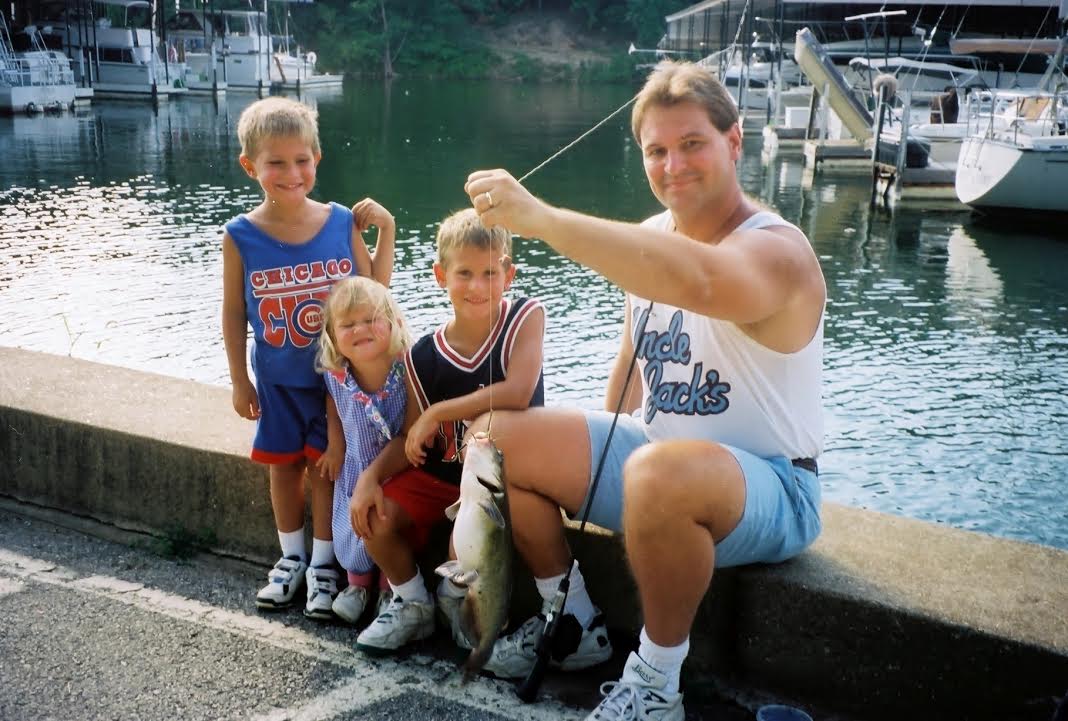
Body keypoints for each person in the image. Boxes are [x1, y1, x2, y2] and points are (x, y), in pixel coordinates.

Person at [461, 59, 826, 721]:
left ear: (735, 141)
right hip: (661, 462)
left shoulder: (779, 251)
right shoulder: (650, 240)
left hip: (774, 485)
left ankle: (657, 683)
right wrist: (589, 459)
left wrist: (541, 218)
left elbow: (705, 283)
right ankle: (569, 622)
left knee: (657, 472)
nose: (673, 165)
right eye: (656, 151)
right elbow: (633, 368)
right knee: (497, 438)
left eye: (692, 144)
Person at [222, 96, 396, 620]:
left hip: (333, 384)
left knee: (325, 470)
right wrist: (238, 381)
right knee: (282, 468)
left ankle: (324, 564)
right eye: (275, 162)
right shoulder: (240, 236)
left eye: (302, 160)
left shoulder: (341, 222)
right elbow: (233, 314)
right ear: (250, 166)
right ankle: (290, 557)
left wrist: (386, 230)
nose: (291, 172)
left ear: (316, 160)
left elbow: (375, 295)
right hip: (274, 380)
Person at [349, 208, 547, 655]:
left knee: (474, 557)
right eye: (464, 273)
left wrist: (439, 411)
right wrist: (369, 478)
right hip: (441, 480)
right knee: (373, 515)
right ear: (440, 275)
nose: (478, 286)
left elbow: (517, 393)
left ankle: (468, 614)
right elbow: (410, 440)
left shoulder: (524, 319)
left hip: (500, 488)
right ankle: (413, 604)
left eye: (490, 272)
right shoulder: (422, 355)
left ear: (509, 275)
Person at [317, 276, 429, 625]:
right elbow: (333, 406)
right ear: (334, 336)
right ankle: (357, 585)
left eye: (370, 320)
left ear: (394, 323)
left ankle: (387, 589)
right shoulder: (338, 374)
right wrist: (336, 447)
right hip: (355, 464)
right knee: (354, 526)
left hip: (397, 469)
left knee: (383, 525)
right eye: (348, 325)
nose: (360, 330)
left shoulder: (406, 368)